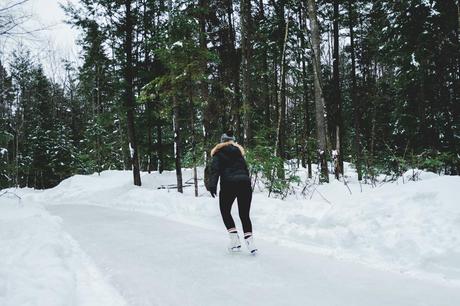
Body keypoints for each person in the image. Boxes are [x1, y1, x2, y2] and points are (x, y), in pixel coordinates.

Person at [209, 130, 257, 254]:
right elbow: (245, 170)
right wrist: (246, 183)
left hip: (229, 185)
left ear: (222, 142)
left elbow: (215, 170)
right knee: (244, 214)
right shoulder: (239, 154)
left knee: (225, 211)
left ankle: (235, 240)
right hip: (245, 184)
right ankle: (250, 243)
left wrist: (212, 185)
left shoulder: (218, 153)